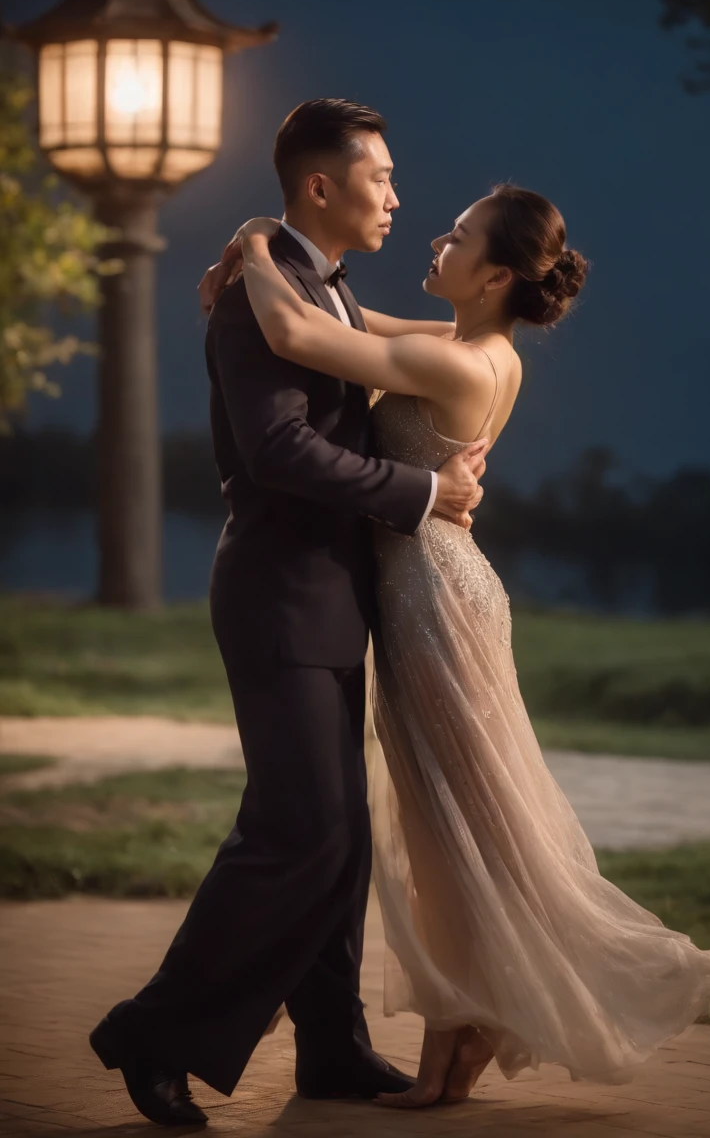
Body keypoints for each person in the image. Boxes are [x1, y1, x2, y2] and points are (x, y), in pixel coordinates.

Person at [206, 181, 710, 1110]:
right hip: (434, 591)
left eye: (456, 236)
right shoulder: (464, 344)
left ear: (494, 276)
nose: (435, 239)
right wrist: (269, 246)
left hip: (434, 603)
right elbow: (346, 309)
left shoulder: (465, 365)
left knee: (460, 826)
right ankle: (462, 1031)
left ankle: (473, 1022)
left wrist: (253, 246)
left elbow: (300, 337)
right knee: (451, 823)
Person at [88, 98, 486, 1127]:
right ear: (321, 184)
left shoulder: (322, 291)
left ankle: (332, 1047)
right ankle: (154, 1033)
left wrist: (252, 235)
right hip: (279, 592)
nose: (397, 195)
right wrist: (417, 496)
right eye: (381, 176)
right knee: (296, 830)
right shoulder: (251, 302)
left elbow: (416, 363)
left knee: (339, 836)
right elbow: (276, 451)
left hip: (334, 596)